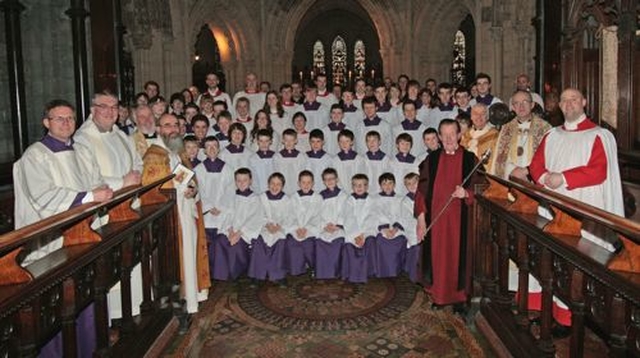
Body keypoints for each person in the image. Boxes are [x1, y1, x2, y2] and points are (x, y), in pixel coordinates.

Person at [13, 99, 113, 358]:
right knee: (58, 303)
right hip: (51, 243)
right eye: (59, 118)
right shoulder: (35, 156)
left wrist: (99, 192)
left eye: (70, 118)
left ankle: (89, 346)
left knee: (85, 292)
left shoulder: (81, 150)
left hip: (81, 235)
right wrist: (90, 197)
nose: (66, 123)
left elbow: (97, 181)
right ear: (46, 122)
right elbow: (43, 197)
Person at [528, 88, 624, 332]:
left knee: (576, 268)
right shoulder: (552, 134)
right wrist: (544, 177)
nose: (569, 104)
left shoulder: (600, 135)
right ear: (559, 105)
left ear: (584, 102)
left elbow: (598, 171)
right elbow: (535, 164)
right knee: (552, 263)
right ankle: (552, 313)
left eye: (574, 99)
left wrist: (563, 178)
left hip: (584, 213)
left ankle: (572, 319)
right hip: (553, 210)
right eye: (564, 100)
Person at [141, 113, 210, 314]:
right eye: (167, 125)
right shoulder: (154, 155)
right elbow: (154, 190)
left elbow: (191, 180)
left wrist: (193, 190)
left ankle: (191, 296)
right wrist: (182, 190)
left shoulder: (178, 152)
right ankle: (181, 301)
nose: (172, 129)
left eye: (175, 125)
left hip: (187, 212)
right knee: (180, 257)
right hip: (171, 218)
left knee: (190, 253)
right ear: (158, 129)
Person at [415, 119, 479, 314]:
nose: (450, 138)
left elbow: (484, 189)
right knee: (438, 258)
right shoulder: (431, 160)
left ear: (460, 135)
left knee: (459, 258)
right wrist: (421, 219)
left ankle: (460, 298)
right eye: (445, 135)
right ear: (440, 138)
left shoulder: (471, 159)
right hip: (437, 221)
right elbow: (421, 191)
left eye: (453, 134)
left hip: (462, 222)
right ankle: (440, 296)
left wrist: (467, 194)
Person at [75, 91, 142, 191]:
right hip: (104, 202)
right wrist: (122, 182)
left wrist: (137, 176)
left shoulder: (122, 135)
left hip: (130, 197)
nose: (110, 112)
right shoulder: (82, 139)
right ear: (93, 110)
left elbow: (138, 162)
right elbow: (86, 177)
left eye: (114, 107)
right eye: (103, 107)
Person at [212, 167, 264, 280]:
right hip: (230, 230)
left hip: (244, 234)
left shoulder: (255, 199)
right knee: (219, 242)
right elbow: (226, 215)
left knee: (235, 246)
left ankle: (233, 274)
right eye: (238, 180)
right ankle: (221, 275)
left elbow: (255, 219)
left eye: (245, 180)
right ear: (235, 182)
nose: (241, 183)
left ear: (250, 181)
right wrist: (230, 231)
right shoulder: (230, 196)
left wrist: (239, 234)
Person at [193, 136, 235, 276]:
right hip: (206, 214)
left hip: (222, 214)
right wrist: (210, 206)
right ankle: (207, 273)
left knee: (221, 241)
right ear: (204, 150)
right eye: (208, 146)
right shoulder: (198, 169)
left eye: (214, 146)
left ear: (218, 149)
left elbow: (230, 191)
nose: (211, 149)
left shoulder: (228, 169)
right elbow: (198, 191)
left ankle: (221, 272)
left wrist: (221, 207)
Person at [489, 90, 551, 180]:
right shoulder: (506, 128)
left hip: (534, 180)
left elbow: (549, 157)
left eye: (525, 102)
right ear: (513, 107)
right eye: (516, 103)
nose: (521, 106)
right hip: (511, 179)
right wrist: (512, 171)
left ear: (532, 105)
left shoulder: (545, 128)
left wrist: (527, 172)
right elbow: (498, 159)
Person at [249, 172, 290, 284]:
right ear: (268, 184)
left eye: (278, 184)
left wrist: (278, 226)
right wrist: (267, 224)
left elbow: (288, 216)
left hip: (279, 228)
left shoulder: (286, 199)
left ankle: (278, 275)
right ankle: (258, 275)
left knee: (281, 242)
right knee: (258, 242)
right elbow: (257, 214)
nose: (275, 187)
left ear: (282, 186)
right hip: (264, 227)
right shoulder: (261, 198)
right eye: (272, 183)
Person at [340, 174, 377, 283]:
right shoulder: (349, 200)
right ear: (352, 187)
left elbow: (372, 217)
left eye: (362, 185)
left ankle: (367, 272)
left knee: (370, 242)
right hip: (352, 232)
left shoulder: (371, 201)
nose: (359, 187)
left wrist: (363, 235)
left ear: (367, 187)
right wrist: (356, 234)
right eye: (356, 185)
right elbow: (348, 217)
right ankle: (352, 274)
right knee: (349, 247)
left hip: (367, 231)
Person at [287, 170, 322, 276]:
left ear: (313, 183)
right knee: (292, 243)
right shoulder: (293, 198)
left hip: (311, 230)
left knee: (308, 244)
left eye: (309, 182)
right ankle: (297, 269)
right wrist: (296, 228)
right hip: (296, 230)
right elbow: (290, 215)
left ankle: (313, 266)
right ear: (298, 183)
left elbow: (318, 216)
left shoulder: (317, 198)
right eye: (303, 182)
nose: (306, 185)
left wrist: (307, 229)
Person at [315, 168, 348, 279]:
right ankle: (322, 272)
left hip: (338, 227)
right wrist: (325, 225)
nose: (329, 181)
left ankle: (336, 271)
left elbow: (346, 213)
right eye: (326, 179)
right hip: (325, 227)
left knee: (338, 242)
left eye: (332, 178)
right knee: (320, 242)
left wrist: (337, 225)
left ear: (337, 179)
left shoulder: (343, 195)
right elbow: (317, 213)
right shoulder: (320, 196)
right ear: (323, 181)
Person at [373, 173, 406, 278]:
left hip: (397, 229)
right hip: (382, 228)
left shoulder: (401, 199)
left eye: (390, 183)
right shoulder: (375, 199)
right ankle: (382, 271)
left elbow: (403, 214)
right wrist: (385, 229)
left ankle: (395, 270)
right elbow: (375, 214)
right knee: (380, 241)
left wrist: (395, 228)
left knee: (400, 240)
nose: (387, 186)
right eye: (384, 183)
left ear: (394, 184)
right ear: (380, 186)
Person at [399, 172, 420, 282]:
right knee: (416, 245)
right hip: (413, 229)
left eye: (414, 183)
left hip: (427, 227)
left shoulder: (425, 197)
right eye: (408, 184)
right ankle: (414, 275)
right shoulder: (406, 201)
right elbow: (406, 219)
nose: (412, 186)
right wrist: (419, 226)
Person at [273, 129, 308, 195]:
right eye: (286, 140)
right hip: (282, 188)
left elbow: (303, 174)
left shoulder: (301, 157)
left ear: (296, 141)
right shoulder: (277, 157)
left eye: (291, 140)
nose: (289, 143)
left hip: (297, 187)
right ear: (282, 140)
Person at [362, 130, 391, 194]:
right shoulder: (363, 158)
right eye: (368, 141)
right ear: (366, 143)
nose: (371, 143)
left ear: (379, 142)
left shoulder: (386, 159)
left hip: (381, 190)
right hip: (367, 190)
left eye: (374, 140)